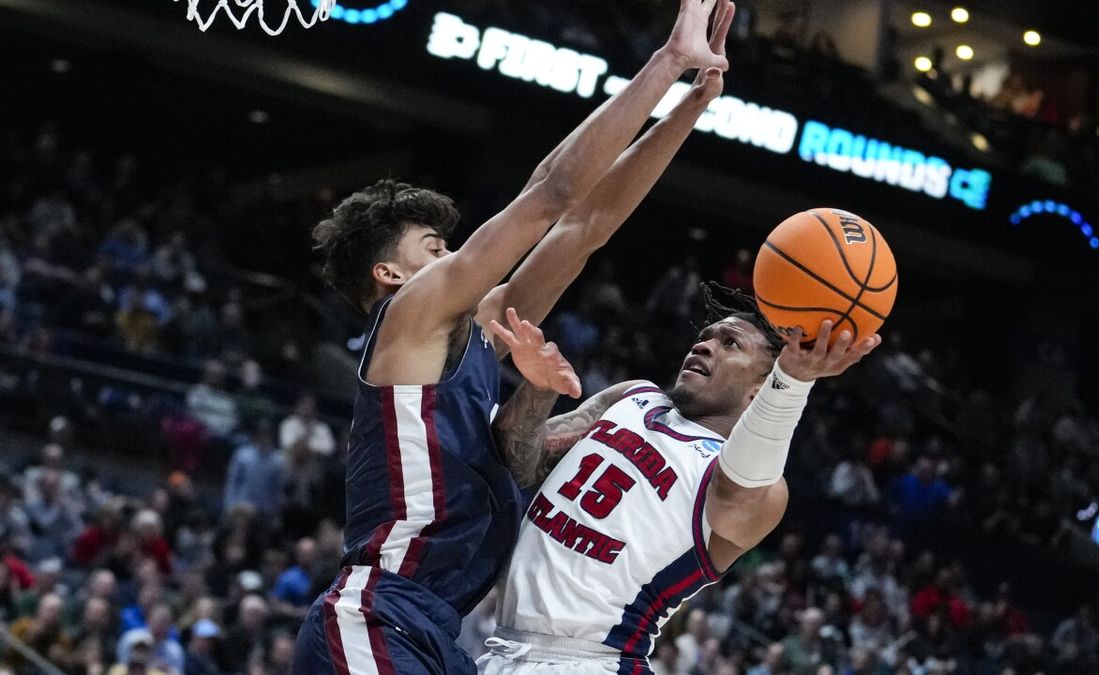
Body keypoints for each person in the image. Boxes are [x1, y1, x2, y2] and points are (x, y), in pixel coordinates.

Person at [293, 1, 734, 672]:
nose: (456, 255)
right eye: (436, 246)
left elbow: (582, 230)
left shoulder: (472, 334)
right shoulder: (406, 318)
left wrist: (691, 106)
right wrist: (666, 62)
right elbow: (553, 191)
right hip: (376, 613)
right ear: (391, 273)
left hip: (434, 631)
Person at [478, 286, 880, 673]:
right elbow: (516, 464)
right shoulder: (633, 397)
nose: (703, 345)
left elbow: (737, 488)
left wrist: (791, 381)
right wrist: (539, 387)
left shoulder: (756, 489)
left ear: (760, 391)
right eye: (706, 337)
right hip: (502, 646)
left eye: (731, 344)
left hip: (589, 661)